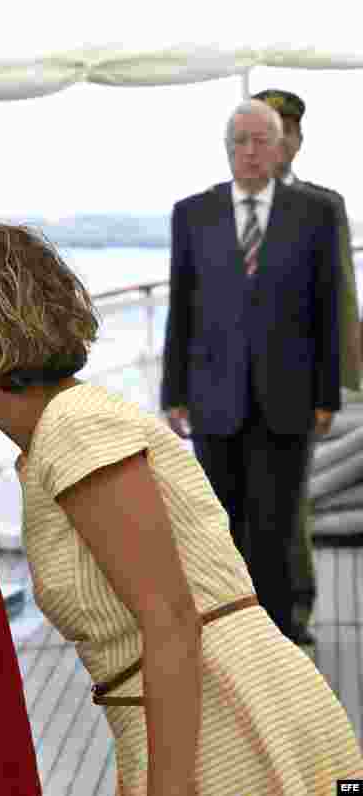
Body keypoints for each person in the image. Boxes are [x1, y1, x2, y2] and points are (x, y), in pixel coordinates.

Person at [0, 220, 363, 795]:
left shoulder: (75, 428)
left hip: (236, 726)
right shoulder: (50, 442)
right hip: (200, 716)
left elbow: (169, 619)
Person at [161, 99, 341, 642]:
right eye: (239, 140)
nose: (250, 150)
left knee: (276, 531)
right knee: (218, 529)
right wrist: (174, 392)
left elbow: (329, 308)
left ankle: (278, 641)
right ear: (227, 149)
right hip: (213, 398)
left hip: (289, 399)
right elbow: (182, 307)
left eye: (261, 139)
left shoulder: (313, 213)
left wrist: (327, 395)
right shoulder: (192, 213)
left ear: (281, 146)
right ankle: (226, 640)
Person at [251, 87, 360, 646]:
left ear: (297, 140)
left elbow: (340, 293)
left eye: (289, 129)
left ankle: (293, 610)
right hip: (232, 383)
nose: (281, 139)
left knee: (288, 500)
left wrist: (342, 381)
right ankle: (243, 616)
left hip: (296, 377)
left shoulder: (323, 205)